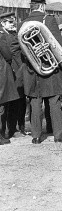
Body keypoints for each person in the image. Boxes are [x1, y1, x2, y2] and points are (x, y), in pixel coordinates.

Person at [19, 0, 62, 143]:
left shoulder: (22, 23)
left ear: (32, 7)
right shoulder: (48, 20)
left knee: (35, 102)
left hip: (31, 70)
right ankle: (58, 135)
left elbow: (19, 49)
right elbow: (57, 44)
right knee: (54, 101)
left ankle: (35, 136)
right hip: (50, 69)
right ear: (42, 6)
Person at [0, 11, 27, 139]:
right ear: (2, 23)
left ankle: (19, 127)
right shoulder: (6, 37)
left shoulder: (11, 35)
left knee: (19, 101)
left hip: (17, 70)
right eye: (10, 22)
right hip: (12, 71)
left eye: (13, 22)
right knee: (13, 102)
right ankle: (12, 129)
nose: (12, 24)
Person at [0, 11, 20, 144]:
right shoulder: (1, 37)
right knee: (1, 105)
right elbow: (7, 55)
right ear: (2, 23)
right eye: (9, 21)